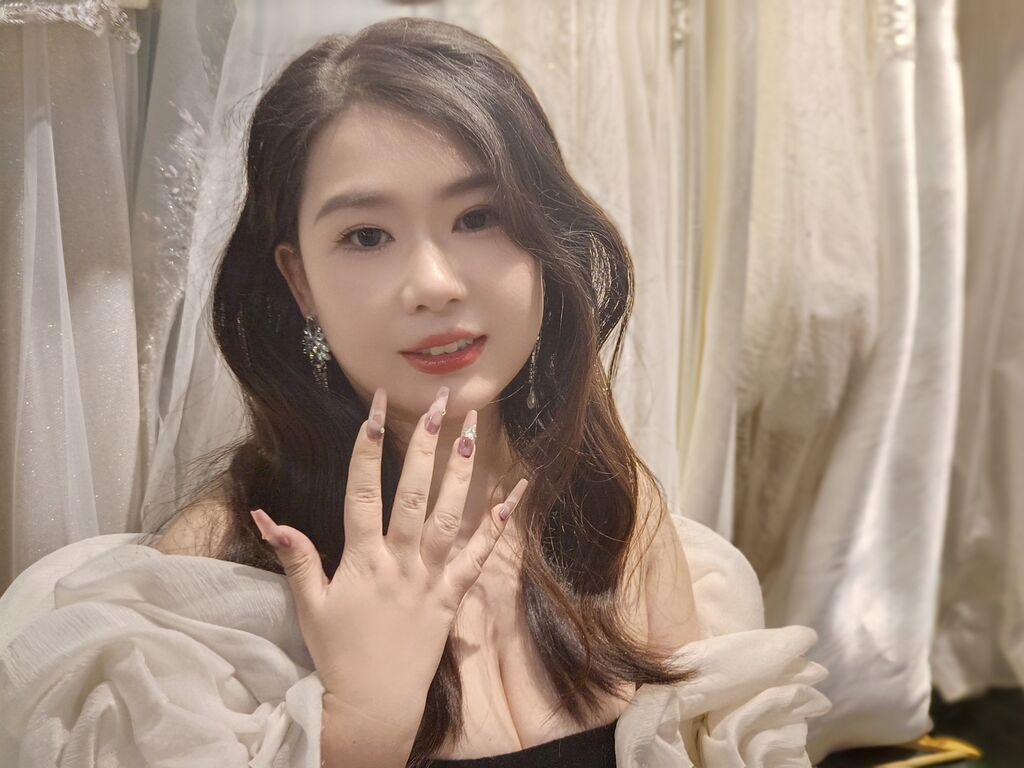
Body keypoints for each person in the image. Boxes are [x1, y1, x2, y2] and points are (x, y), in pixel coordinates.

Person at [0, 17, 830, 768]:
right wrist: (359, 728)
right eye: (367, 235)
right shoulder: (223, 563)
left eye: (478, 217)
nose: (433, 283)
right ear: (299, 280)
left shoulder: (613, 520)